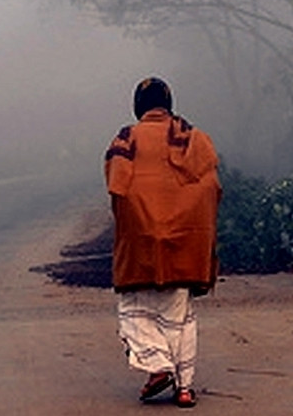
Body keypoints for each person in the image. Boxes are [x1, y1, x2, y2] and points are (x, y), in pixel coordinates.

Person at [104, 77, 221, 408]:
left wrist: (144, 224)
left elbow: (118, 189)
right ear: (168, 104)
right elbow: (210, 189)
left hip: (141, 243)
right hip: (185, 243)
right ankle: (184, 389)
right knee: (180, 317)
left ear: (138, 106)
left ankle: (158, 367)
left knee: (133, 310)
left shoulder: (127, 139)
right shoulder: (193, 138)